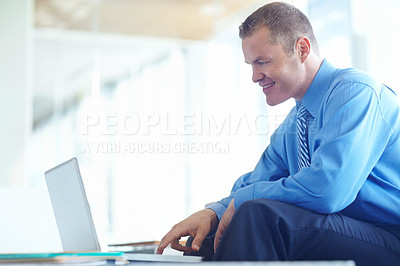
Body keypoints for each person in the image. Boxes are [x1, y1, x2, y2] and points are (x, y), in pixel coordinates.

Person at [156, 2, 400, 265]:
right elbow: (256, 182)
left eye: (263, 62)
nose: (254, 76)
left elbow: (327, 191)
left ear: (302, 49)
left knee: (258, 215)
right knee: (217, 232)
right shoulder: (296, 122)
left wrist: (241, 201)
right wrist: (214, 213)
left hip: (389, 235)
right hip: (345, 229)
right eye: (251, 64)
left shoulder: (356, 93)